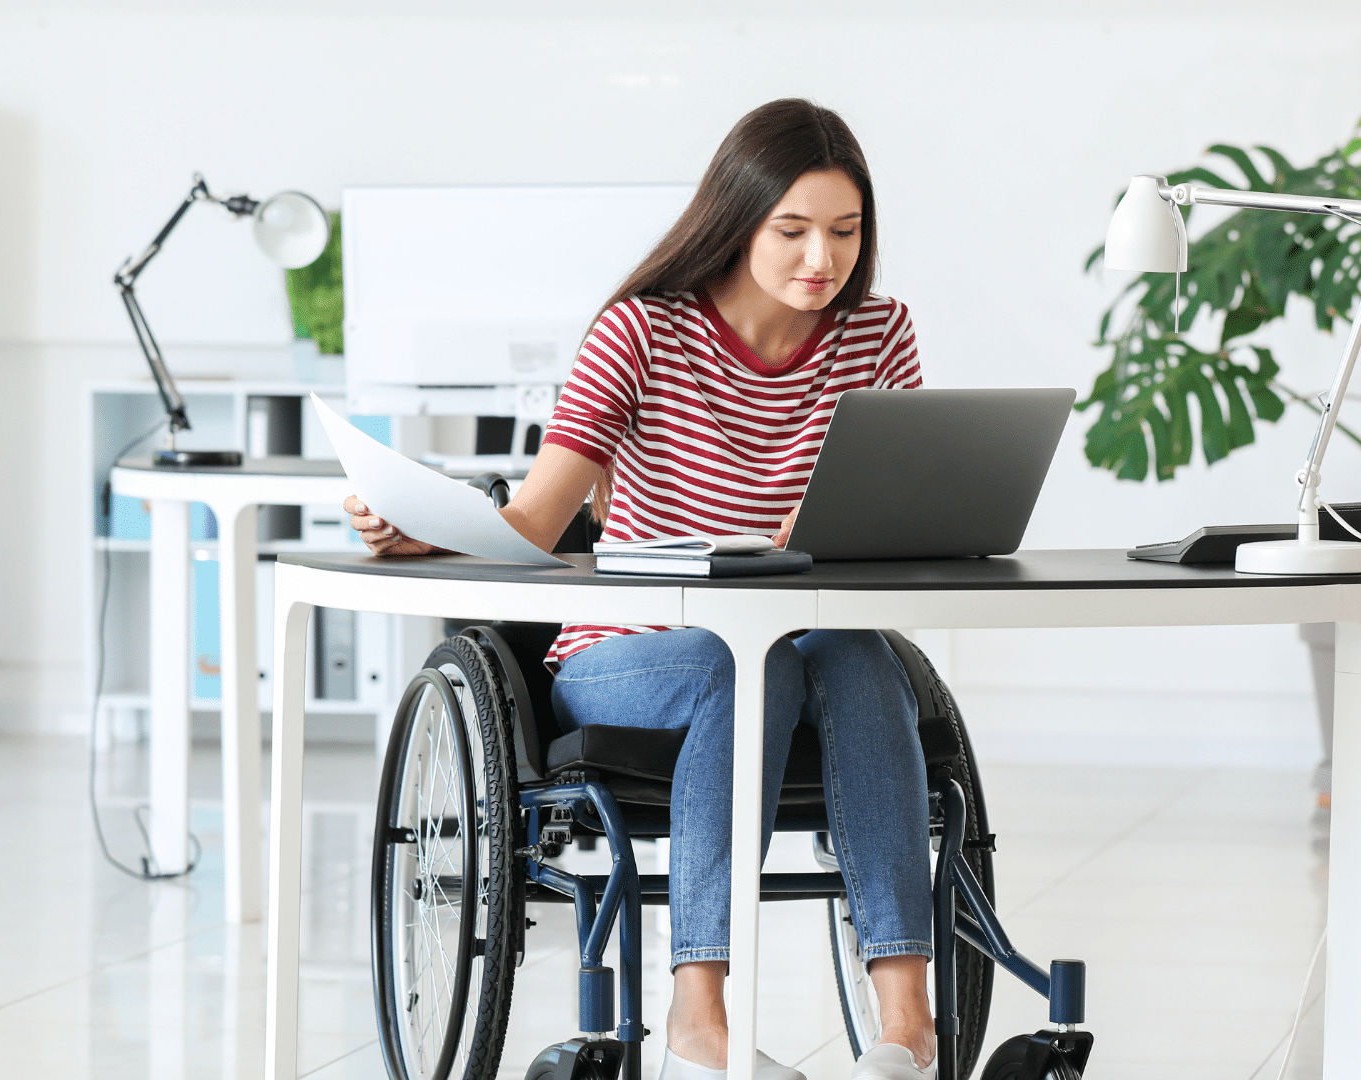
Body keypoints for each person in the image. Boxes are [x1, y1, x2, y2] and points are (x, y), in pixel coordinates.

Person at [346, 99, 935, 1080]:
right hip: (635, 656)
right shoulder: (643, 333)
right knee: (732, 663)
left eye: (845, 232)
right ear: (737, 219)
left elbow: (906, 506)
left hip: (804, 648)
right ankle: (697, 1014)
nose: (820, 261)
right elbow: (536, 520)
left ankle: (906, 1025)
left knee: (855, 652)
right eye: (792, 231)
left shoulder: (875, 336)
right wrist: (420, 529)